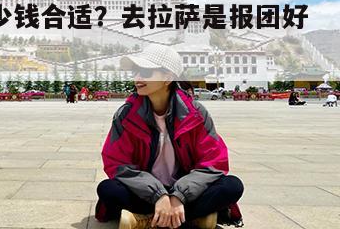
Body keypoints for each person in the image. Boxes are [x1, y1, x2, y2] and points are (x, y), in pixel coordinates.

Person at [96, 45, 243, 229]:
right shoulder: (126, 115)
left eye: (146, 72)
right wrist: (158, 195)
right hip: (145, 191)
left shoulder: (195, 113)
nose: (137, 78)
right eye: (136, 71)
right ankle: (188, 219)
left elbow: (214, 162)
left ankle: (147, 219)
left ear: (168, 78)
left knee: (232, 186)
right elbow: (117, 163)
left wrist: (178, 195)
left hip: (185, 189)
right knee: (108, 189)